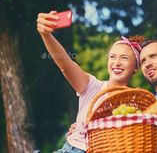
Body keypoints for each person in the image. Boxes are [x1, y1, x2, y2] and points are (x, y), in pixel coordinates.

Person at [37, 11, 144, 153]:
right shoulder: (92, 86)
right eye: (112, 57)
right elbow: (65, 64)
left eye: (124, 58)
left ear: (136, 67)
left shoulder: (137, 102)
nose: (116, 63)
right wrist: (46, 34)